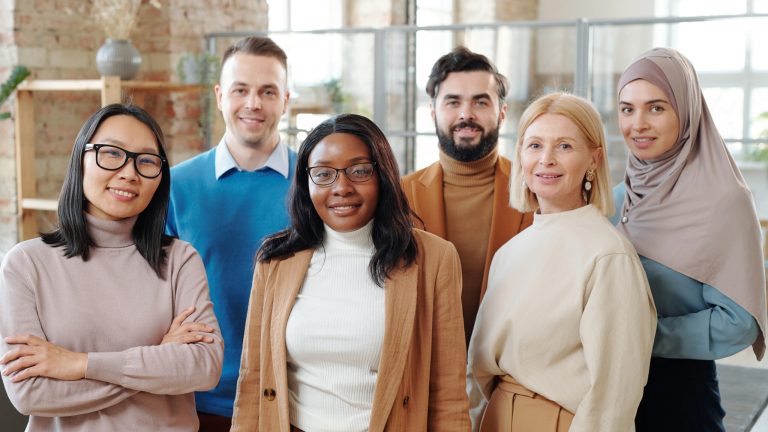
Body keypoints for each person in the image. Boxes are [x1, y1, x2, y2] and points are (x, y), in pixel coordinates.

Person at [231, 114, 470, 431]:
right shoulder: (275, 259)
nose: (341, 187)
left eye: (359, 171)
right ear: (306, 182)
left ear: (382, 175)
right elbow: (252, 381)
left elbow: (448, 397)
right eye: (323, 174)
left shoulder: (434, 259)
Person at [0, 104, 223, 431]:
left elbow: (205, 367)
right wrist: (158, 360)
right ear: (81, 159)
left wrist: (78, 364)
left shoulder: (180, 259)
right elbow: (31, 393)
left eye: (146, 161)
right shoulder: (26, 264)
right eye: (112, 153)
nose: (129, 173)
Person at [468, 93, 656, 431]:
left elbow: (613, 398)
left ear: (594, 159)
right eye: (535, 145)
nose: (546, 160)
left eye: (565, 146)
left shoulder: (608, 256)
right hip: (495, 418)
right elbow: (479, 372)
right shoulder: (509, 252)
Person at [614, 47, 767, 432]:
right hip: (609, 392)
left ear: (687, 111)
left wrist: (641, 338)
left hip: (679, 395)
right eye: (627, 109)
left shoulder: (725, 200)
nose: (638, 124)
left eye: (657, 108)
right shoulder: (619, 197)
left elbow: (740, 322)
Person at [166, 36, 296, 429]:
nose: (253, 103)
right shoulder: (175, 186)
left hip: (294, 400)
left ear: (285, 101)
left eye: (267, 92)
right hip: (198, 398)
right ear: (221, 96)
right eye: (241, 90)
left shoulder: (317, 186)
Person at [402, 46, 533, 345]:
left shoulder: (536, 191)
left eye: (480, 102)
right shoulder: (399, 196)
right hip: (427, 370)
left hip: (510, 370)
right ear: (434, 112)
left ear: (501, 112)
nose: (466, 114)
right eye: (453, 102)